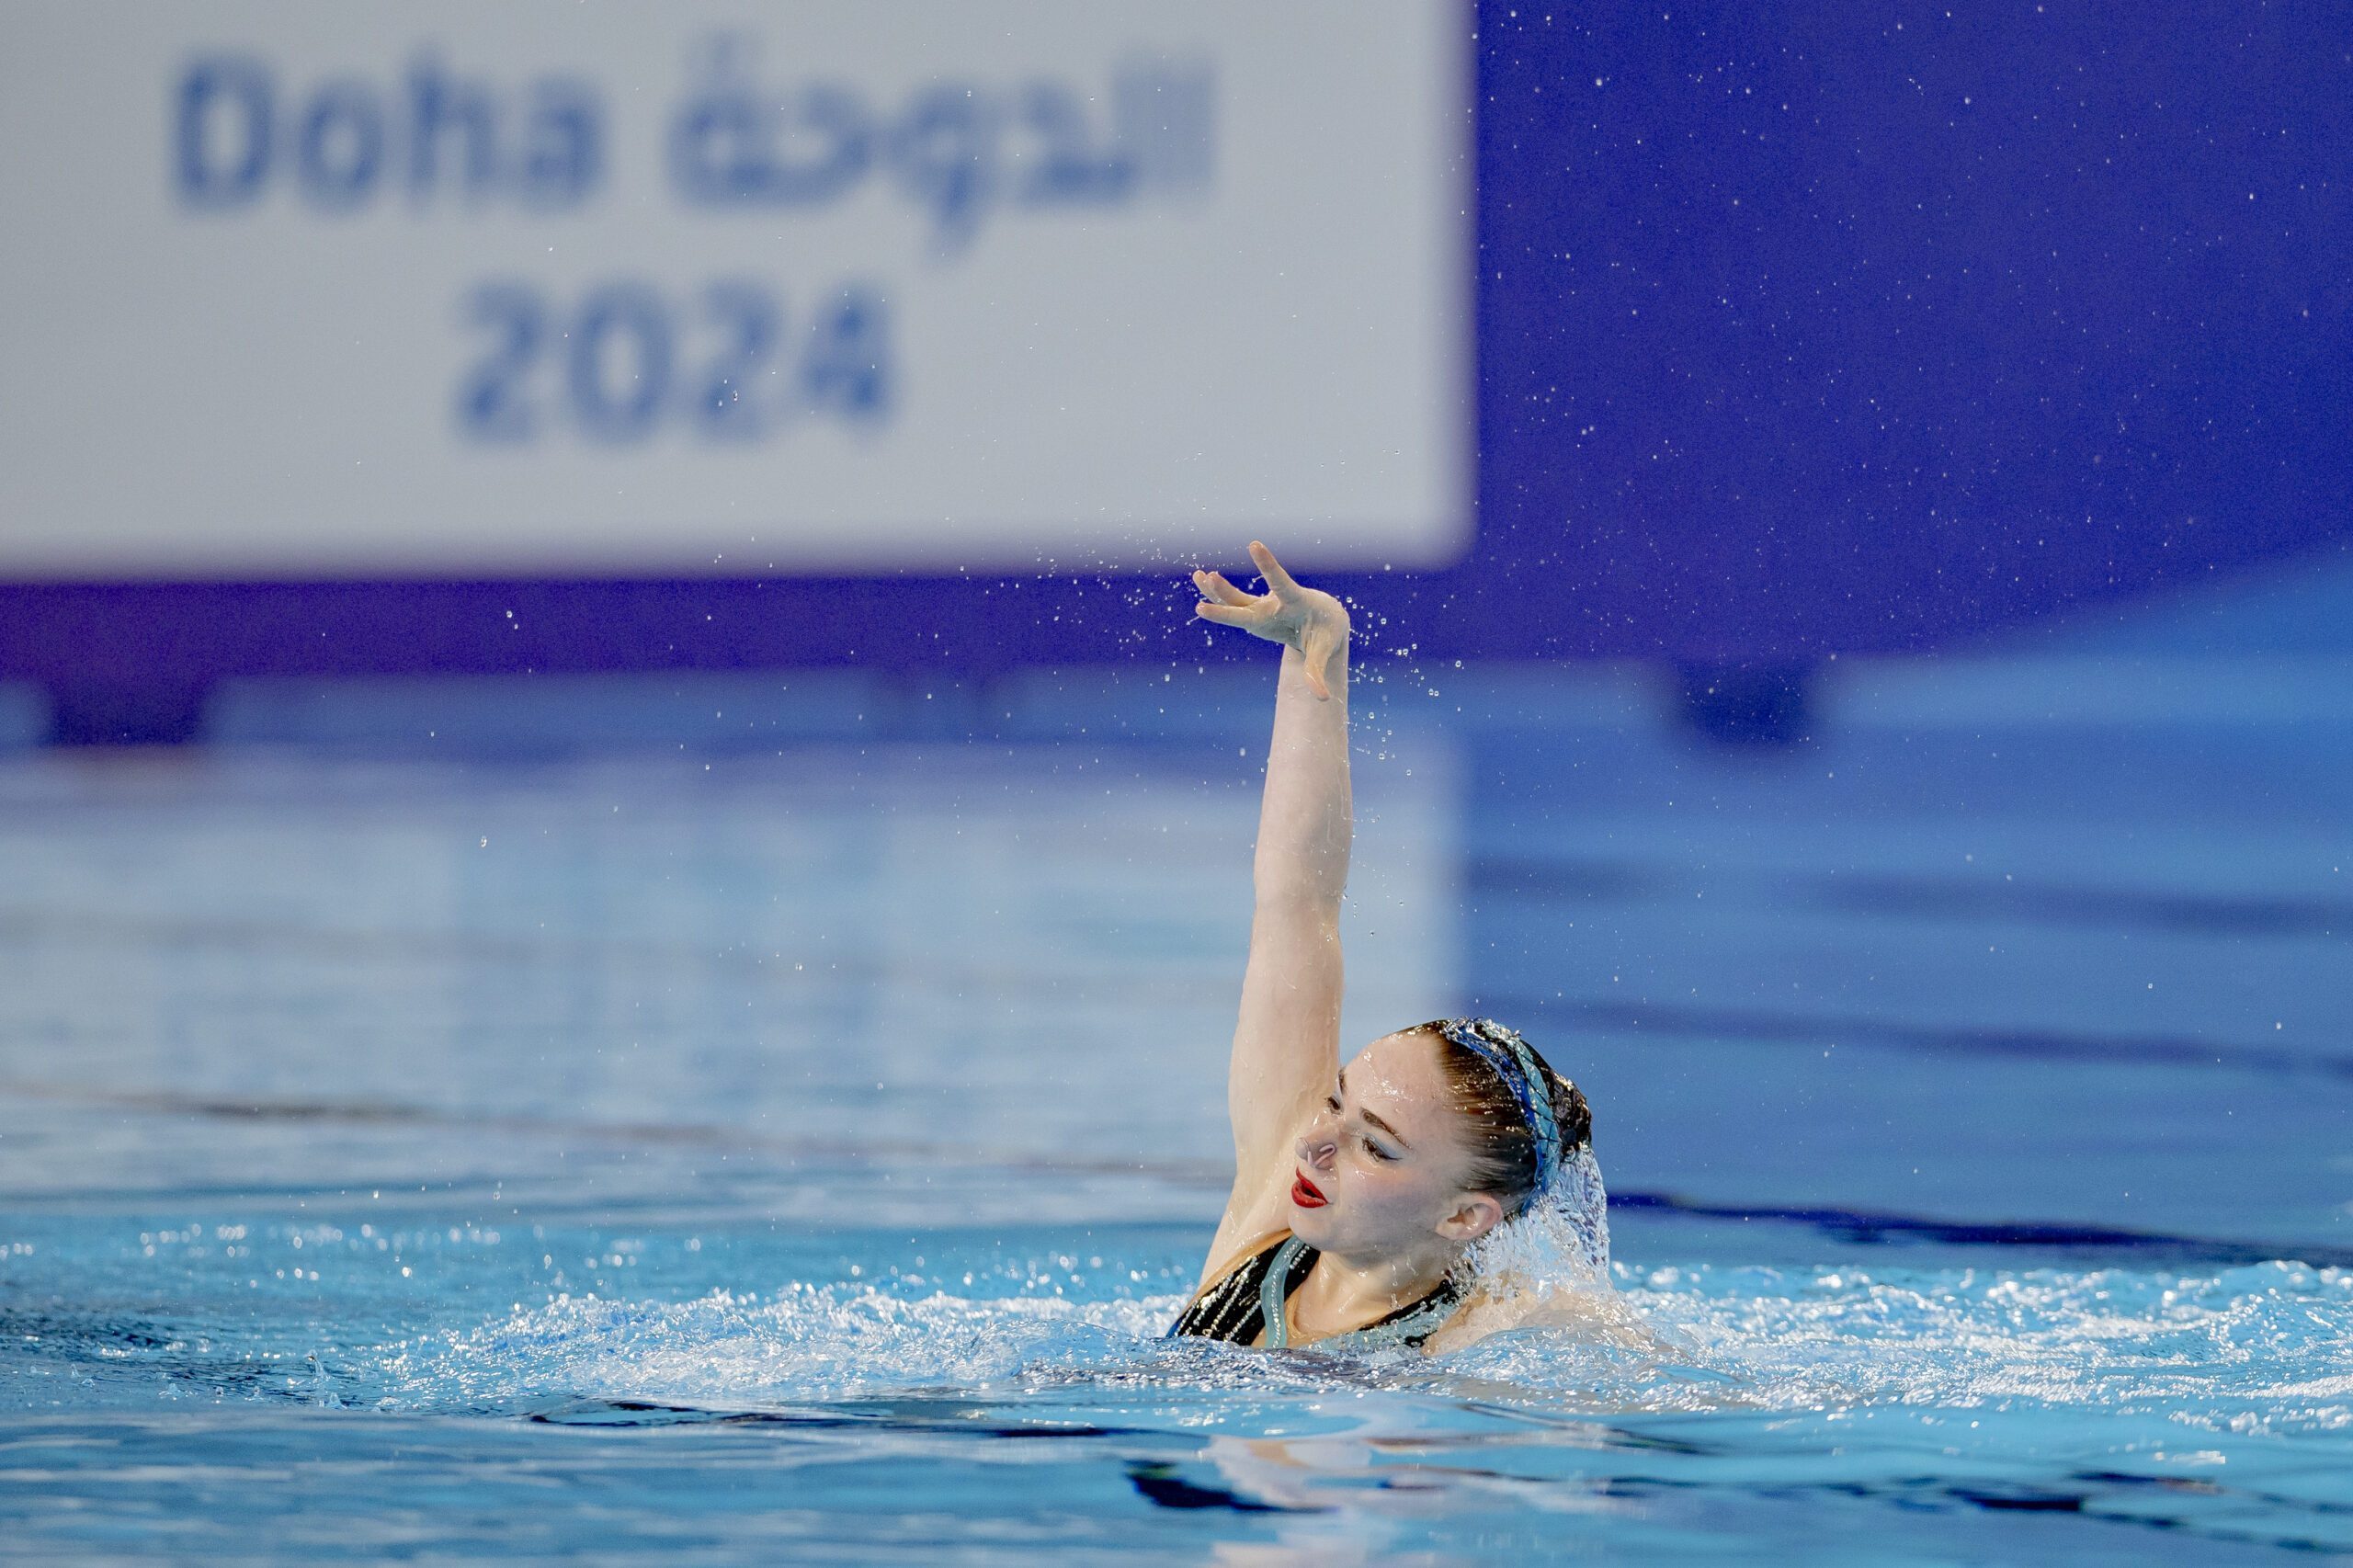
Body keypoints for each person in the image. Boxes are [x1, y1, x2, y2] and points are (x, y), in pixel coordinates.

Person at [1168, 541, 1600, 1356]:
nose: (1315, 1142)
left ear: (1465, 1216)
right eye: (1336, 1102)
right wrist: (1312, 653)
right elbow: (1297, 904)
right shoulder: (1271, 1220)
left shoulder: (1496, 1334)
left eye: (1375, 1145)